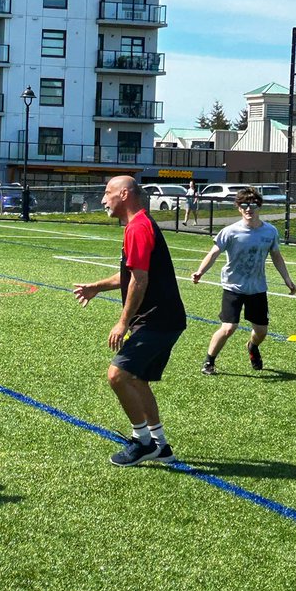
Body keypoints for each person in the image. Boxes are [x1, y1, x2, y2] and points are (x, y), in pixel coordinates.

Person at [73, 175, 187, 466]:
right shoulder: (138, 225)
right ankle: (160, 446)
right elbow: (130, 274)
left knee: (118, 375)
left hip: (158, 319)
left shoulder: (138, 227)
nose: (103, 199)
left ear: (124, 194)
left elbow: (139, 279)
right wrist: (97, 287)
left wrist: (122, 322)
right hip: (164, 318)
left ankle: (142, 441)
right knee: (136, 378)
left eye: (107, 192)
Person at [193, 186, 296, 375]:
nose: (249, 209)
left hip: (257, 288)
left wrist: (287, 279)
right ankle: (209, 361)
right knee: (228, 328)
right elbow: (214, 253)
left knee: (261, 331)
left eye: (253, 205)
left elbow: (276, 256)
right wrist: (200, 271)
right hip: (233, 286)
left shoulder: (270, 231)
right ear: (238, 208)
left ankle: (252, 346)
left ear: (259, 206)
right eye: (244, 205)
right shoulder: (230, 231)